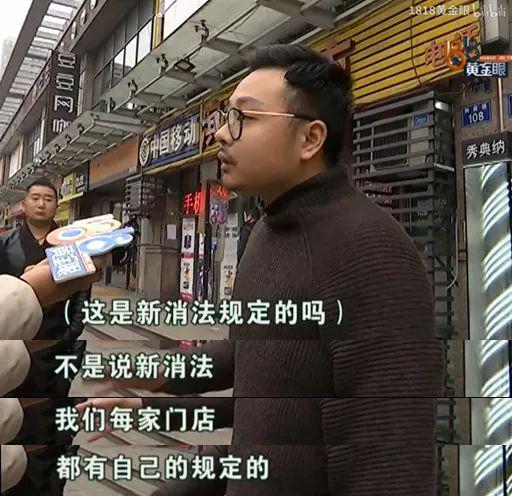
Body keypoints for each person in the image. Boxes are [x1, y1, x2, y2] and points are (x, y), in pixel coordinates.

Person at [80, 44, 444, 496]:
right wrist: (150, 384)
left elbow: (391, 470)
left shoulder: (372, 255)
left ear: (310, 139)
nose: (221, 134)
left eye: (243, 118)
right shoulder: (266, 233)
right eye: (225, 118)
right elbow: (253, 375)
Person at [0, 262, 100, 494]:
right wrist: (26, 293)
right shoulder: (8, 246)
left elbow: (80, 304)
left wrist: (67, 336)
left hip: (48, 356)